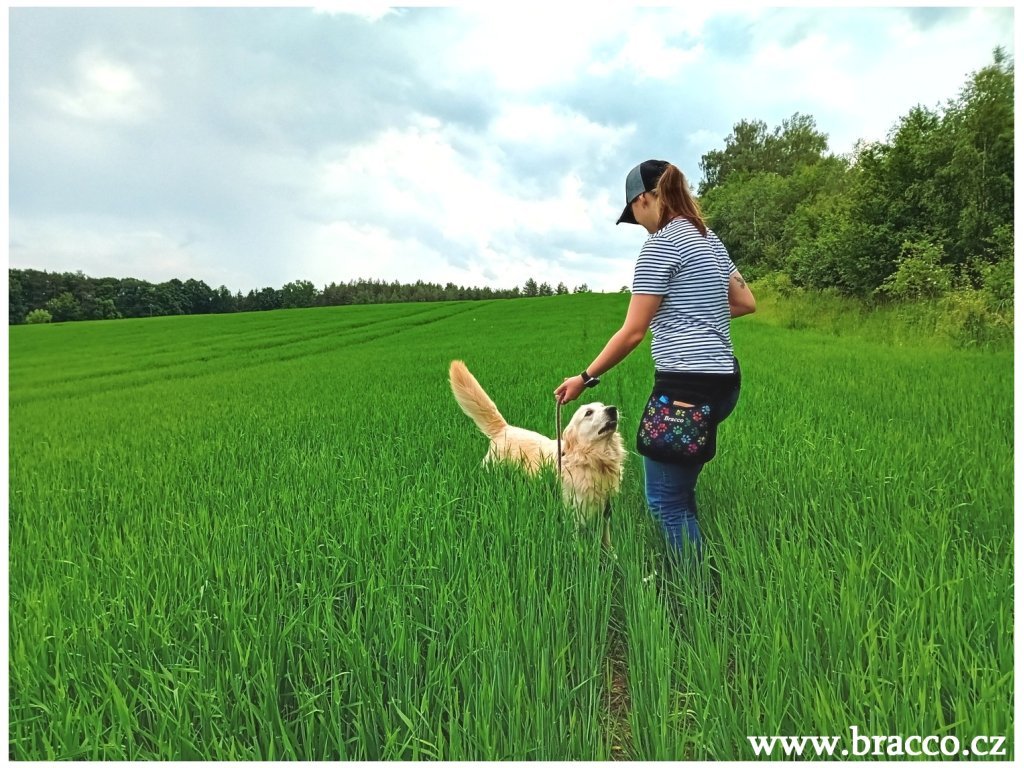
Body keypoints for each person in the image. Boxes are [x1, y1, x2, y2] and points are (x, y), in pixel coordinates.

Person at [554, 159, 755, 576]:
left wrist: (585, 378)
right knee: (681, 492)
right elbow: (744, 302)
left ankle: (697, 598)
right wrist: (695, 315)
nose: (639, 223)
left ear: (647, 198)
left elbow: (632, 332)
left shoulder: (661, 245)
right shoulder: (709, 239)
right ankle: (697, 570)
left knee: (665, 502)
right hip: (724, 383)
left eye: (635, 213)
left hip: (686, 388)